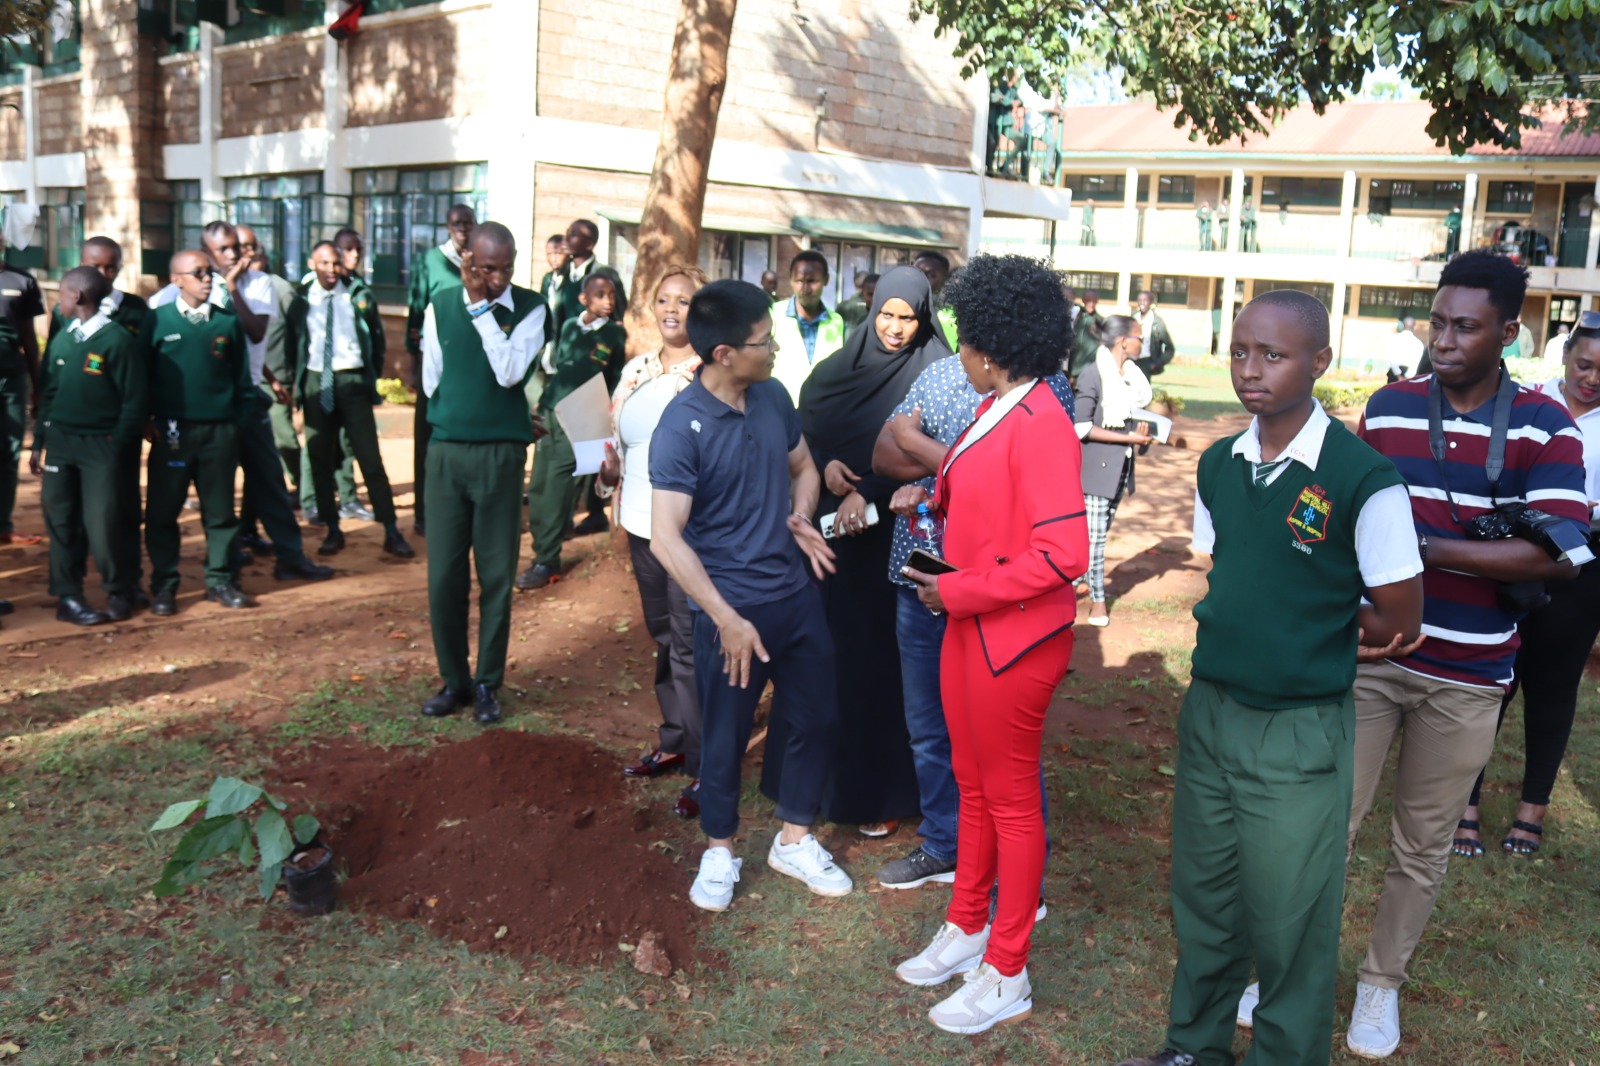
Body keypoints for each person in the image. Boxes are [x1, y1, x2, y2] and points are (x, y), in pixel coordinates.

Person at [1116, 291, 1425, 1066]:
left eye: (1274, 355)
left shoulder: (1363, 479)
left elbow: (1398, 617)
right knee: (1206, 901)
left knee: (1291, 921)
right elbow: (1234, 570)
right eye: (1241, 352)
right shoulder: (1220, 463)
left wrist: (1312, 632)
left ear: (1320, 362)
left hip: (1298, 732)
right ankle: (1194, 1046)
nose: (1251, 371)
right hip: (1214, 712)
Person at [1340, 250, 1589, 1059]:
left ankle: (1380, 989)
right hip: (1374, 660)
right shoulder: (1387, 406)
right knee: (1326, 828)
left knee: (1421, 846)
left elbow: (1556, 555)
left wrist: (1420, 546)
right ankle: (1284, 969)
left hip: (1472, 675)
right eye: (1437, 321)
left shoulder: (1545, 426)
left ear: (1508, 332)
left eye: (1464, 327)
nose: (1443, 339)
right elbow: (1339, 512)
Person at [892, 254, 1088, 1036]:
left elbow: (1062, 556)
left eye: (965, 341)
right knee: (973, 787)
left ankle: (1008, 968)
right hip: (970, 626)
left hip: (1011, 637)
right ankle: (968, 923)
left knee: (1008, 799)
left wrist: (960, 589)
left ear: (991, 347)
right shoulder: (996, 404)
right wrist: (930, 494)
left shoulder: (1042, 421)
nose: (958, 353)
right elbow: (978, 491)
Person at [647, 278, 847, 914]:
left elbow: (804, 467)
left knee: (817, 718)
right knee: (727, 736)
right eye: (765, 341)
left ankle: (794, 838)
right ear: (725, 353)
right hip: (730, 610)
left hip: (793, 595)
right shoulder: (681, 427)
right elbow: (665, 539)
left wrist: (802, 517)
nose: (776, 349)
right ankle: (720, 848)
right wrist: (725, 618)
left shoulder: (773, 397)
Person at [766, 266, 949, 837]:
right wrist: (828, 468)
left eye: (908, 318)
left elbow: (938, 454)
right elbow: (805, 442)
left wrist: (869, 487)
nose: (895, 329)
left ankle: (876, 794)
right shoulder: (831, 374)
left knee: (881, 668)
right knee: (823, 658)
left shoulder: (937, 376)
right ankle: (807, 784)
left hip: (892, 546)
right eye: (887, 316)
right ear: (872, 313)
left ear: (924, 320)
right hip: (831, 545)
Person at [1453, 311, 1600, 861]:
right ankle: (1464, 802)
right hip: (1512, 552)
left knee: (1554, 685)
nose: (1591, 378)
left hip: (1583, 567)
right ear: (1565, 356)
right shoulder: (1526, 402)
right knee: (1490, 678)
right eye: (1583, 364)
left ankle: (1532, 809)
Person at [418, 222, 549, 725]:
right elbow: (433, 380)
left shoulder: (532, 307)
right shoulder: (439, 304)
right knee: (443, 576)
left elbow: (511, 372)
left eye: (505, 268)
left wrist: (481, 311)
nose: (495, 278)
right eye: (485, 268)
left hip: (501, 456)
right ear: (465, 258)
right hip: (448, 454)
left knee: (496, 574)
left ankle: (488, 683)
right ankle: (453, 680)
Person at [599, 265, 709, 818]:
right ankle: (673, 740)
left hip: (688, 531)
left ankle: (705, 770)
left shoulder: (711, 372)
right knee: (665, 636)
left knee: (691, 645)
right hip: (640, 524)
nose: (671, 309)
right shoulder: (636, 370)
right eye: (664, 299)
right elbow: (617, 446)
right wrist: (607, 467)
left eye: (684, 301)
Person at [29, 267, 147, 625]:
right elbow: (48, 391)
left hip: (101, 446)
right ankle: (68, 596)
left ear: (77, 297)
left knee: (103, 521)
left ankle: (118, 590)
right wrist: (38, 443)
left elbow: (134, 400)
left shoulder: (117, 341)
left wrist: (116, 442)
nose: (57, 301)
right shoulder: (64, 337)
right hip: (61, 444)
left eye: (62, 294)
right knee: (60, 520)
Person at [140, 251, 255, 615]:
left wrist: (236, 423)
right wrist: (147, 420)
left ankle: (220, 580)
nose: (207, 279)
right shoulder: (156, 321)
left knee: (220, 513)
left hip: (219, 433)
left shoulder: (227, 322)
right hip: (172, 433)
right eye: (198, 273)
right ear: (176, 280)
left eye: (210, 273)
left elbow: (242, 380)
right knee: (162, 513)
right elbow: (140, 377)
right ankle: (165, 586)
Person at [291, 242, 413, 561]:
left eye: (335, 263)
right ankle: (333, 528)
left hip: (352, 380)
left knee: (369, 459)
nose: (331, 269)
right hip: (318, 383)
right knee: (320, 460)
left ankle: (390, 529)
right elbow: (293, 343)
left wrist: (370, 377)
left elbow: (376, 339)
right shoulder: (302, 299)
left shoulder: (358, 294)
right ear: (311, 263)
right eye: (324, 263)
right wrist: (296, 387)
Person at [517, 271, 626, 591]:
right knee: (539, 484)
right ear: (583, 299)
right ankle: (547, 544)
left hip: (586, 415)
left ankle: (546, 560)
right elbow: (563, 365)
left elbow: (616, 379)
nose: (608, 301)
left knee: (558, 488)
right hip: (552, 409)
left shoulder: (616, 335)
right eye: (601, 295)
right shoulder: (569, 327)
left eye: (612, 295)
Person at [1074, 315, 1153, 628]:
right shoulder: (1093, 375)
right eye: (1138, 337)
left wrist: (1141, 437)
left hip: (1121, 467)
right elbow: (1081, 426)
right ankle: (1097, 602)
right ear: (1123, 341)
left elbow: (1132, 419)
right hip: (1095, 470)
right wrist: (1128, 438)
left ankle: (1075, 581)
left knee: (1097, 534)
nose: (1141, 343)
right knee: (1096, 542)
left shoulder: (1130, 377)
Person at [407, 203, 477, 537]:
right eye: (456, 223)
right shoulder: (430, 261)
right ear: (447, 227)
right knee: (427, 436)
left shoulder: (481, 259)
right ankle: (423, 512)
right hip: (433, 362)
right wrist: (412, 363)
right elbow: (415, 312)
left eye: (468, 222)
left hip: (470, 363)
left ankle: (463, 507)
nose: (463, 228)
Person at [0, 235, 44, 545]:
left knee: (9, 450)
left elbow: (29, 339)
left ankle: (3, 523)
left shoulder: (22, 280)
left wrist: (38, 387)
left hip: (11, 381)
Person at [771, 250, 846, 403]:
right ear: (791, 280)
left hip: (822, 409)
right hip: (779, 406)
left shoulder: (836, 321)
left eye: (812, 281)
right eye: (799, 281)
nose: (805, 289)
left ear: (826, 280)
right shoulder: (773, 314)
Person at [915, 251, 960, 351]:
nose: (921, 279)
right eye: (917, 272)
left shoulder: (951, 318)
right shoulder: (896, 308)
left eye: (931, 275)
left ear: (945, 279)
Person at [1132, 291, 1176, 378]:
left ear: (1151, 302)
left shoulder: (1157, 323)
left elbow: (1170, 349)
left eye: (1145, 300)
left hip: (1146, 362)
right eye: (1140, 300)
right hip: (1131, 361)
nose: (1142, 303)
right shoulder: (1132, 319)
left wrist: (1158, 363)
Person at [1068, 290, 1105, 378]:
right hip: (1073, 366)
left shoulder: (1100, 321)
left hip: (1089, 367)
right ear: (1083, 300)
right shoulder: (1077, 316)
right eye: (1088, 300)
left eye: (1094, 301)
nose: (1091, 304)